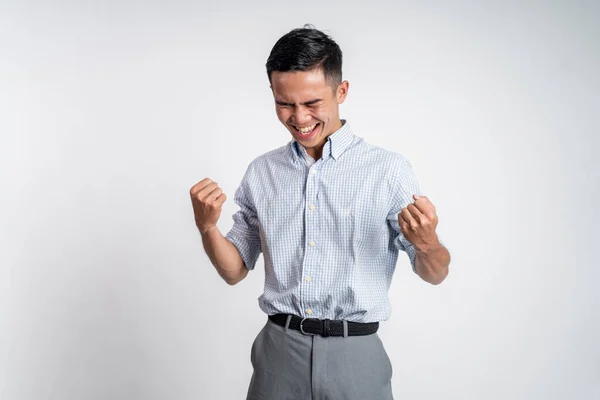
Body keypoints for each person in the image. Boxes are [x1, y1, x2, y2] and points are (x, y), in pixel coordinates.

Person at [190, 24, 451, 400]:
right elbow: (234, 271)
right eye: (285, 103)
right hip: (278, 354)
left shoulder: (388, 170)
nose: (299, 117)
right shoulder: (261, 172)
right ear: (273, 93)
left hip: (356, 356)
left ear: (341, 91)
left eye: (312, 103)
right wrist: (207, 227)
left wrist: (427, 244)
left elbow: (436, 273)